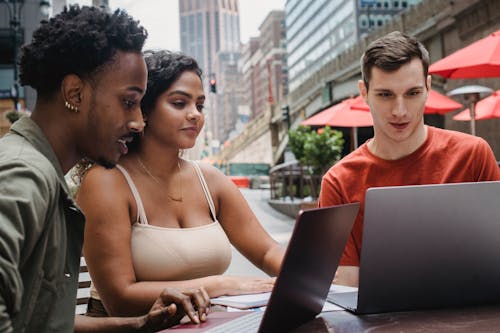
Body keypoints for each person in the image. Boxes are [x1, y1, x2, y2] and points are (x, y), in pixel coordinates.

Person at [0, 6, 209, 333]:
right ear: (75, 93)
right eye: (129, 102)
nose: (139, 122)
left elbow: (40, 322)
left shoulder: (43, 173)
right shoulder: (24, 173)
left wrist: (140, 324)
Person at [76, 50, 286, 317]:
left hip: (202, 322)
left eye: (199, 105)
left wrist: (306, 275)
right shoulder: (106, 182)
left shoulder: (210, 180)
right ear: (144, 109)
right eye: (179, 103)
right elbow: (120, 298)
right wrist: (220, 285)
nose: (195, 115)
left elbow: (267, 251)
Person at [319, 31, 500, 287]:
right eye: (385, 95)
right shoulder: (338, 181)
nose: (400, 111)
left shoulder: (473, 155)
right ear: (364, 92)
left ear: (427, 87)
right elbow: (346, 283)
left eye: (412, 93)